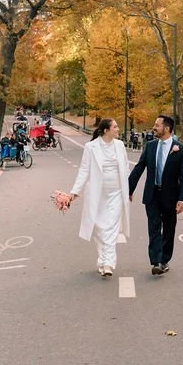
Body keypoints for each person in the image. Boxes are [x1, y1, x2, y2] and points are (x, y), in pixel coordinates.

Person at [62, 118, 130, 277]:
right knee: (99, 228)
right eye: (115, 127)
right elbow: (84, 171)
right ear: (106, 130)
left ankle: (108, 263)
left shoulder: (120, 146)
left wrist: (128, 190)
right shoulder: (91, 147)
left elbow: (125, 167)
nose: (118, 129)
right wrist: (74, 192)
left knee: (111, 228)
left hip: (116, 193)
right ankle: (102, 260)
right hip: (97, 194)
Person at [128, 115, 183, 276]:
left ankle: (164, 260)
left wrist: (182, 199)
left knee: (169, 230)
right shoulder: (150, 146)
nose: (154, 127)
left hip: (171, 196)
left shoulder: (180, 149)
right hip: (152, 194)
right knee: (154, 228)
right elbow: (139, 168)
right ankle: (156, 261)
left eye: (157, 125)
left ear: (167, 128)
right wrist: (128, 189)